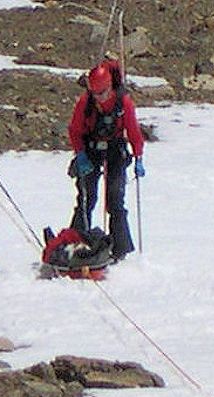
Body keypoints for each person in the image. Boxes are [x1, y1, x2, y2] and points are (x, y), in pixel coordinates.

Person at [68, 58, 145, 262]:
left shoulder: (123, 103)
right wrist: (80, 154)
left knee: (115, 200)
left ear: (110, 87)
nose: (98, 98)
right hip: (90, 149)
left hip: (115, 151)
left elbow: (134, 131)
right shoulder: (86, 103)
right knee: (86, 198)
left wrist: (138, 156)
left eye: (101, 93)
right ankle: (76, 243)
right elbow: (75, 130)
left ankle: (120, 249)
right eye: (94, 93)